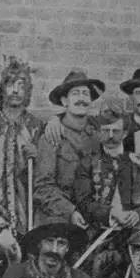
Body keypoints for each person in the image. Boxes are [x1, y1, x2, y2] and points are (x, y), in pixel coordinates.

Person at [42, 68, 140, 198]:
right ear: (131, 97)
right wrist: (54, 120)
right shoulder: (114, 127)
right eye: (139, 93)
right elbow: (76, 118)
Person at [73, 97, 140, 278]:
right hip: (99, 238)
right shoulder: (87, 164)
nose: (110, 135)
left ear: (124, 133)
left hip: (137, 238)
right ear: (98, 133)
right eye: (105, 131)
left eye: (116, 131)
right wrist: (111, 213)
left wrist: (138, 214)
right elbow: (84, 202)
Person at [33, 69, 104, 228]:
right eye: (76, 94)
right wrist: (70, 211)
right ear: (65, 101)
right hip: (57, 216)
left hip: (90, 216)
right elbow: (42, 188)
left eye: (85, 94)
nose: (81, 99)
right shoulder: (52, 136)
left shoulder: (97, 136)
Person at [0, 56, 42, 237]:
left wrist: (37, 156)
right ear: (2, 89)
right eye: (10, 85)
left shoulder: (36, 126)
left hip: (25, 211)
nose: (15, 91)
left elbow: (43, 174)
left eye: (21, 85)